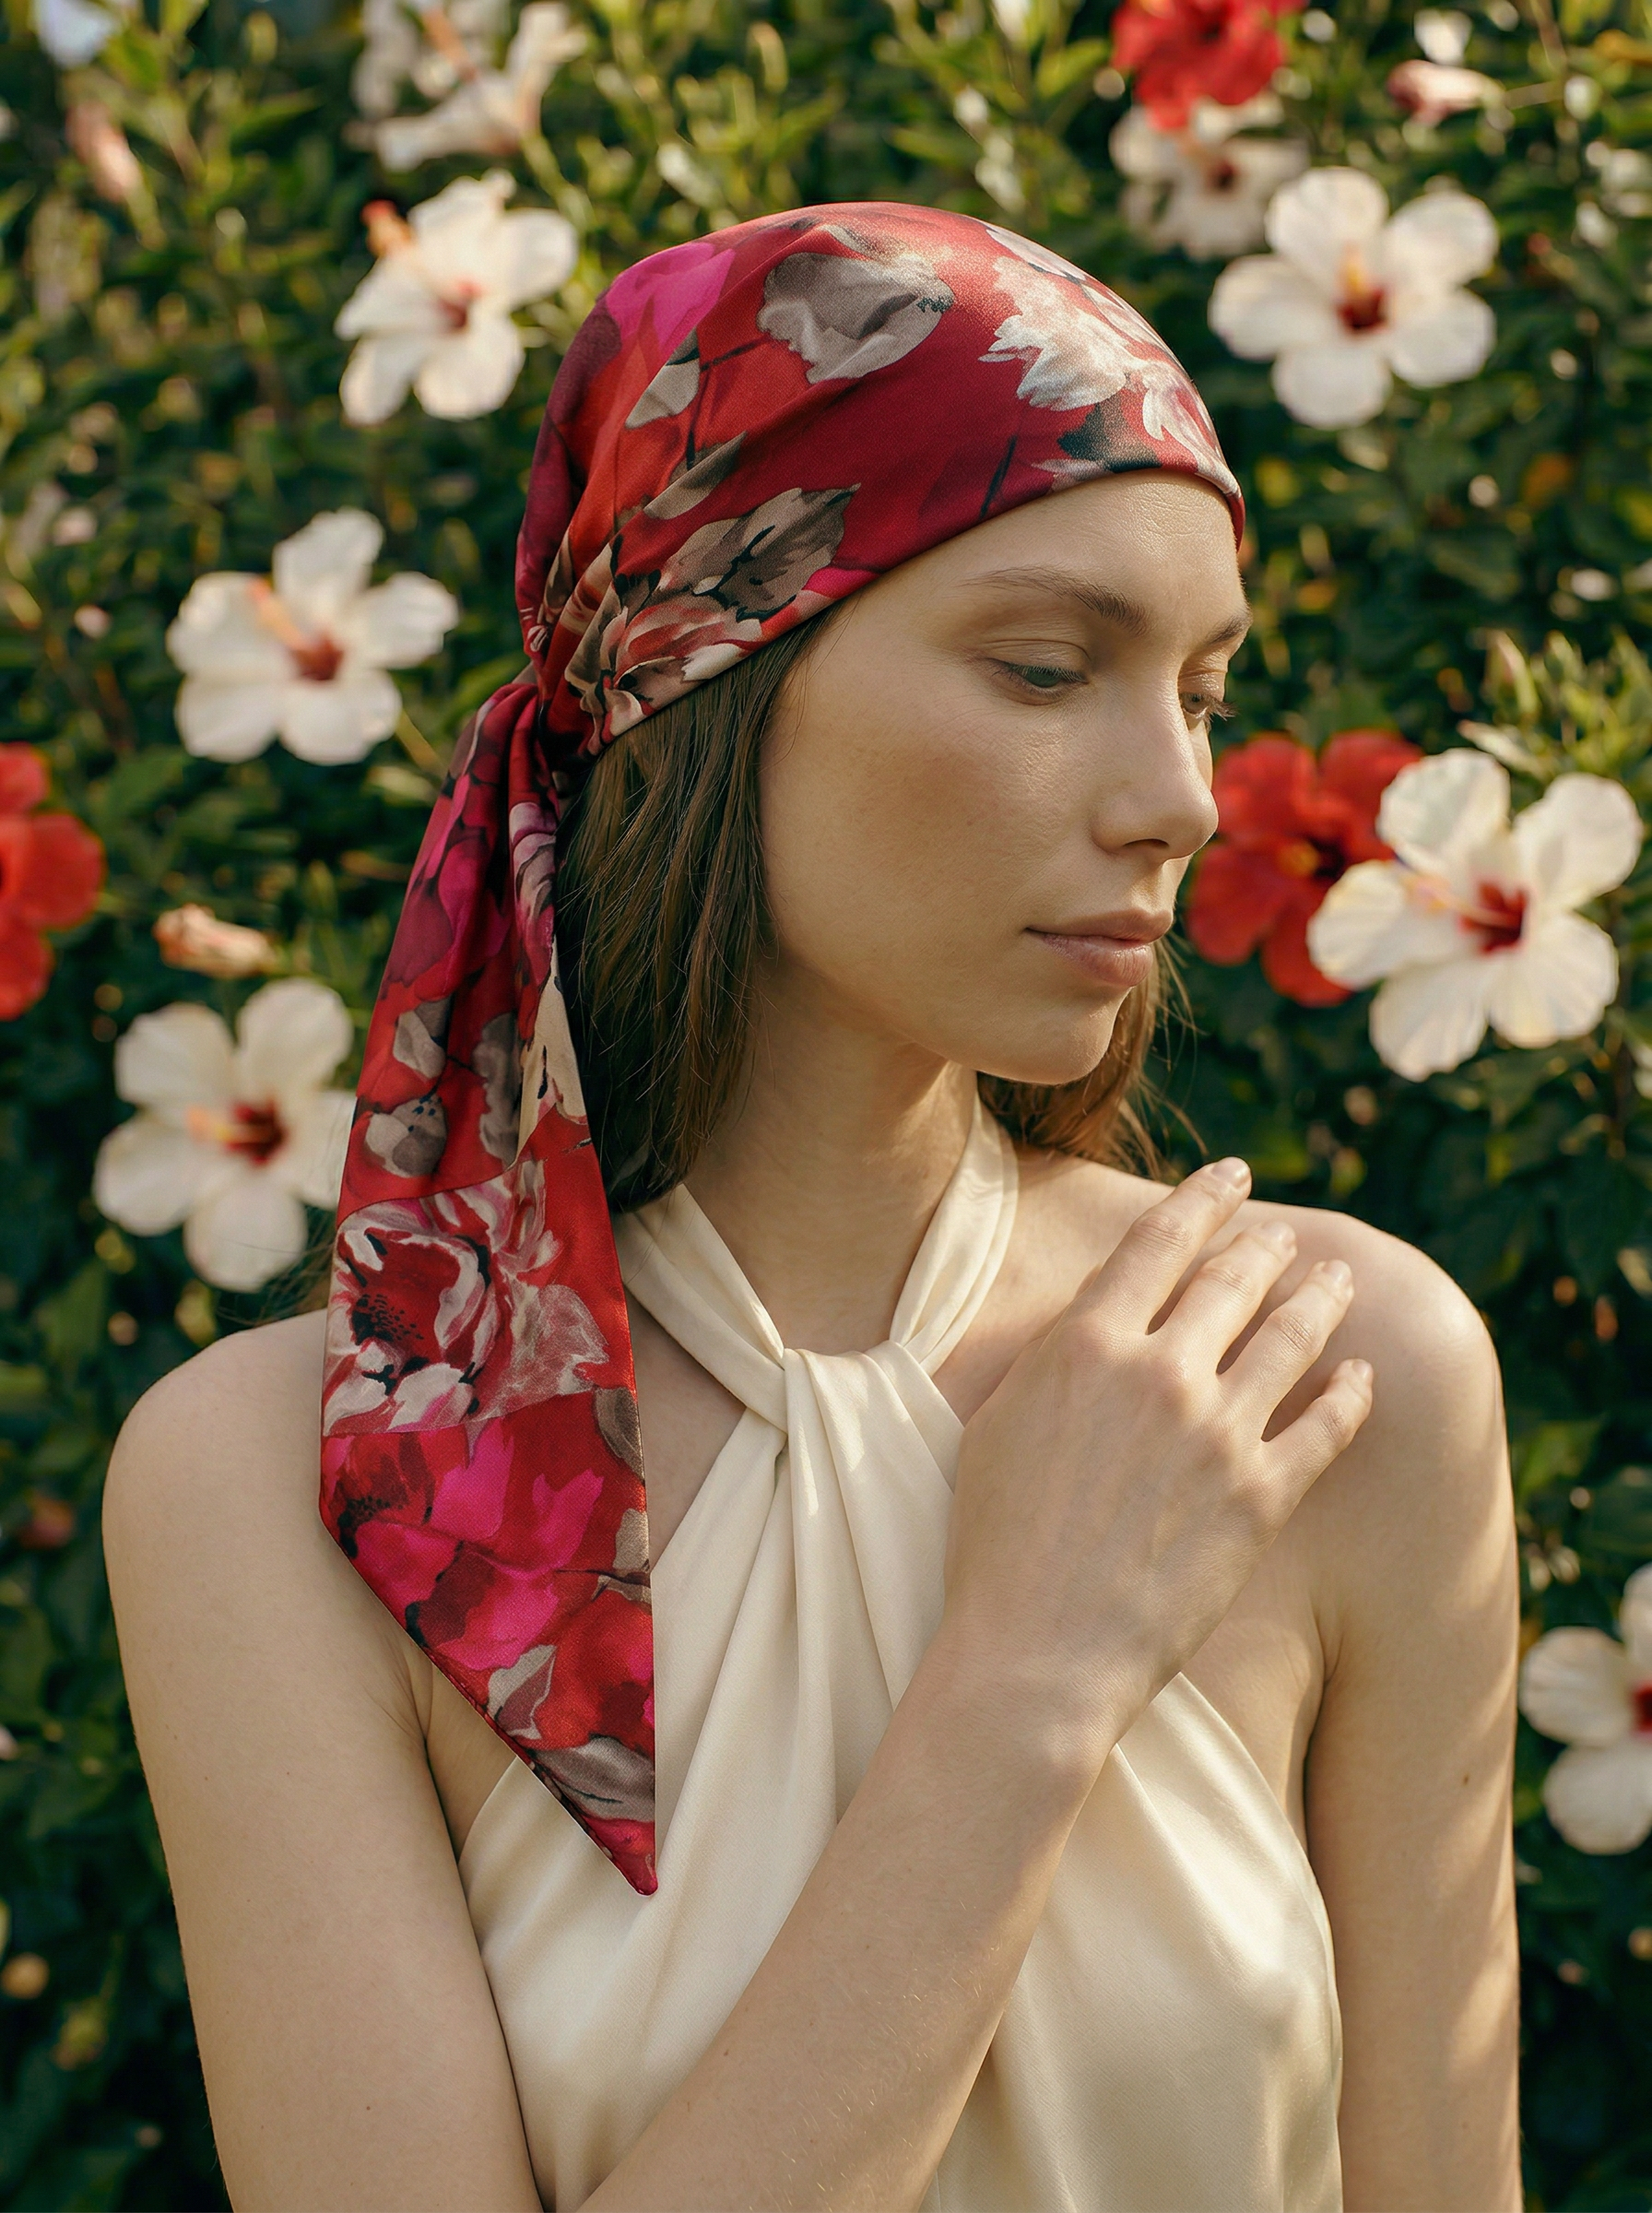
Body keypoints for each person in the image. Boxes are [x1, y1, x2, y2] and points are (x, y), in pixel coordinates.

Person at [104, 203, 1521, 2213]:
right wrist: (1027, 1675)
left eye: (1199, 686)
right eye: (1045, 667)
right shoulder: (302, 1482)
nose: (1181, 794)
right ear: (705, 689)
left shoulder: (1322, 1375)